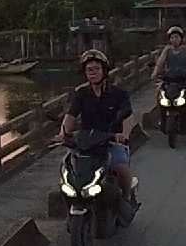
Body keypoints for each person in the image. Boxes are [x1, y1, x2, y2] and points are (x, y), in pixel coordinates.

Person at [58, 49, 137, 203]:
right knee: (67, 169)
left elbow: (128, 116)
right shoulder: (81, 94)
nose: (93, 72)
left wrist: (124, 135)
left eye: (96, 69)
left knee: (121, 169)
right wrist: (63, 134)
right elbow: (71, 116)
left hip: (111, 142)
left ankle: (126, 198)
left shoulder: (119, 94)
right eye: (89, 70)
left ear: (104, 71)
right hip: (86, 143)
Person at [152, 26, 186, 123]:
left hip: (184, 78)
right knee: (158, 91)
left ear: (181, 38)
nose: (174, 40)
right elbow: (160, 63)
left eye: (176, 37)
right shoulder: (167, 50)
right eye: (172, 37)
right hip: (169, 79)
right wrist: (155, 73)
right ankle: (160, 116)